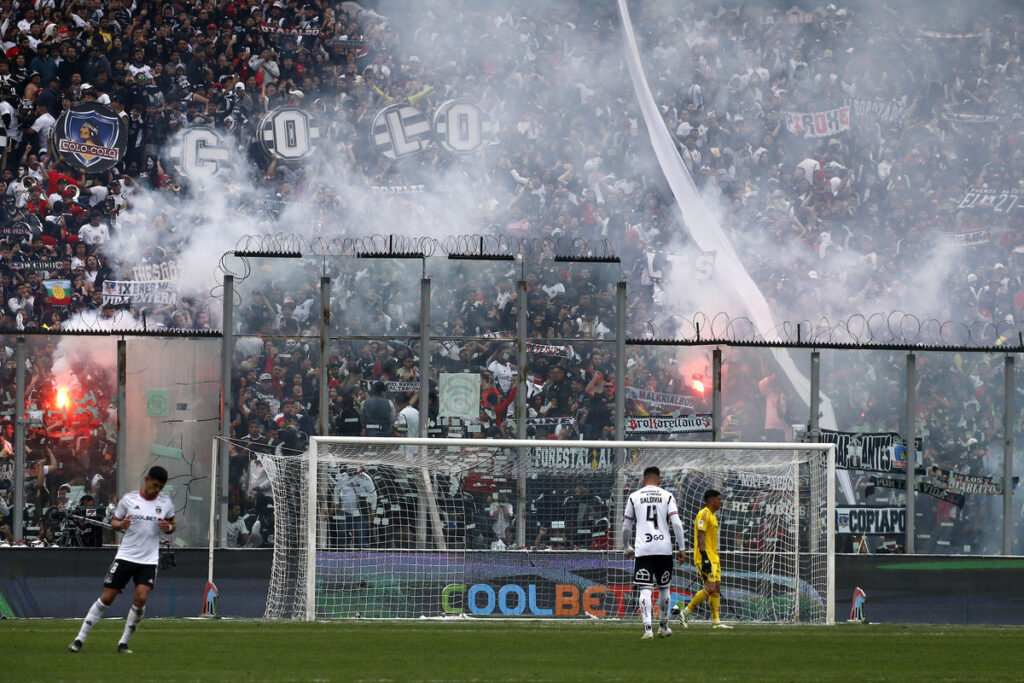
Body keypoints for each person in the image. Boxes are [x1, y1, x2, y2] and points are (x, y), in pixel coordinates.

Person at [69, 466, 176, 653]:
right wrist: (121, 524)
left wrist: (170, 528)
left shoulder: (166, 503)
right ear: (147, 480)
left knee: (141, 597)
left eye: (160, 487)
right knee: (107, 598)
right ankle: (80, 638)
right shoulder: (129, 499)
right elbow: (114, 523)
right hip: (126, 556)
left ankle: (123, 643)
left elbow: (172, 524)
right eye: (155, 485)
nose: (156, 490)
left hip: (149, 559)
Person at [622, 466, 686, 640]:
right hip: (663, 548)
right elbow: (677, 524)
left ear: (643, 481)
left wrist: (626, 546)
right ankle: (664, 627)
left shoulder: (634, 497)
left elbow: (626, 525)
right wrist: (682, 548)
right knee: (664, 588)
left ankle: (648, 630)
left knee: (645, 589)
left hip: (643, 549)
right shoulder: (667, 496)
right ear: (659, 481)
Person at [679, 489, 731, 629]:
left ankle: (716, 622)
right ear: (711, 501)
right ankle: (685, 612)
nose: (721, 502)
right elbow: (700, 536)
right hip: (705, 557)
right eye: (719, 499)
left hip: (714, 557)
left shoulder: (713, 516)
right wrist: (705, 558)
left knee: (716, 588)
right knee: (710, 588)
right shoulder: (703, 514)